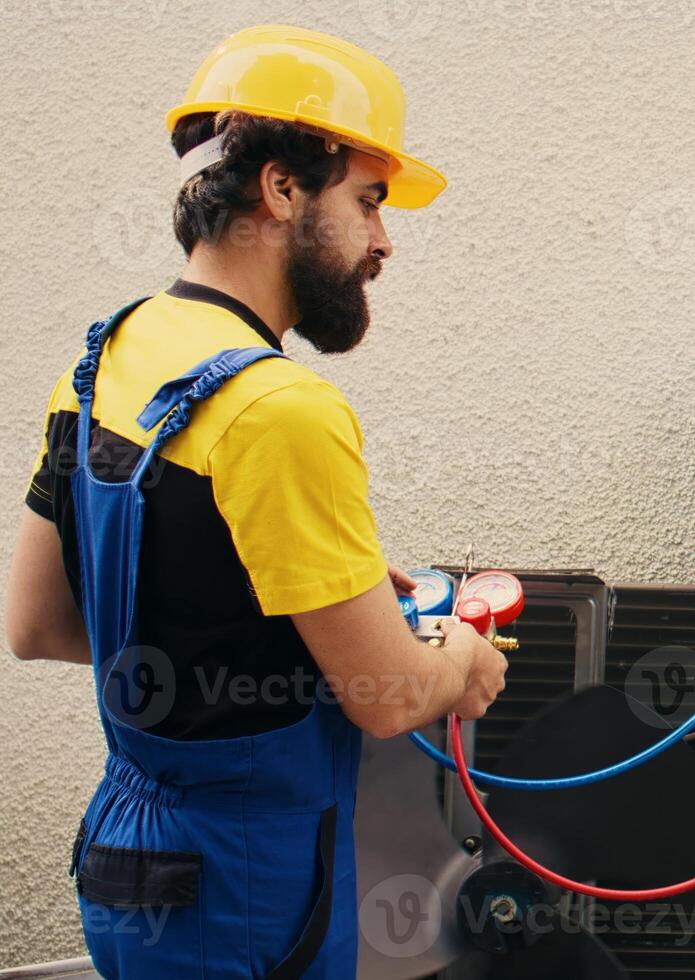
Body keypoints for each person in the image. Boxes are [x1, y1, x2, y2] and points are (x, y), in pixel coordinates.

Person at [2, 25, 505, 978]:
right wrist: (460, 663)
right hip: (249, 887)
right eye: (368, 201)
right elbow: (390, 696)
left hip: (126, 865)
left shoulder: (100, 361)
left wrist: (293, 608)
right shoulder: (282, 409)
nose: (383, 241)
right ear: (280, 189)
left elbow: (39, 623)